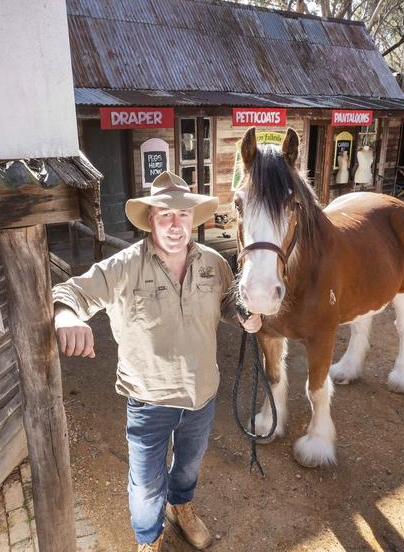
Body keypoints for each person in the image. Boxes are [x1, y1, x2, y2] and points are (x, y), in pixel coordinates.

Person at [52, 171, 261, 551]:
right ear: (151, 219)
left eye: (183, 215)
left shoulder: (214, 263)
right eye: (165, 215)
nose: (176, 225)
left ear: (193, 220)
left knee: (188, 466)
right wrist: (66, 316)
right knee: (146, 486)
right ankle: (149, 541)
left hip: (202, 396)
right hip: (149, 401)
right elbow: (69, 291)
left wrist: (245, 314)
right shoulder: (124, 267)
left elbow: (230, 302)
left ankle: (181, 508)